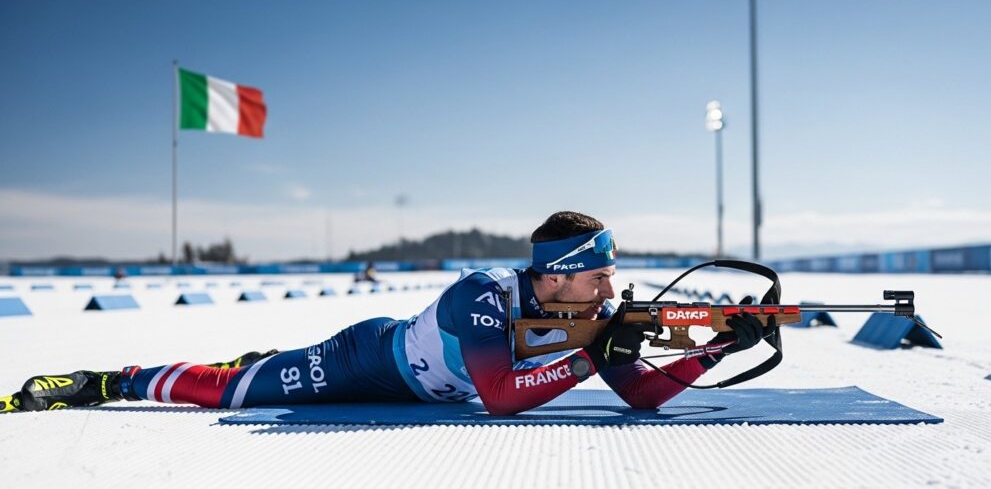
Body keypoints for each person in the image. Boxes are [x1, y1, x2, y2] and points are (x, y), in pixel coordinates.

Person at [1, 211, 773, 415]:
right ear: (563, 276)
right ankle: (110, 380)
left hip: (414, 381)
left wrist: (712, 352)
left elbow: (639, 395)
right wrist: (593, 351)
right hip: (365, 364)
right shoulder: (481, 294)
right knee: (226, 391)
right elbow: (502, 399)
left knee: (248, 374)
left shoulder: (587, 318)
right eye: (601, 275)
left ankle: (252, 361)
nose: (611, 290)